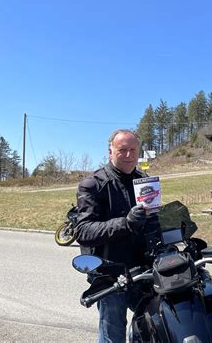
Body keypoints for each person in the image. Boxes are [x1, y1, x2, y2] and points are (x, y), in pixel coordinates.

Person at [75, 129, 149, 343]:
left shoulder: (144, 182)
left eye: (133, 150)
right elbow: (84, 231)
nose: (128, 155)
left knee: (155, 323)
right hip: (110, 272)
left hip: (143, 268)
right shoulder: (93, 184)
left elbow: (153, 221)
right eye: (122, 150)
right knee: (113, 333)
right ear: (110, 152)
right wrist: (125, 223)